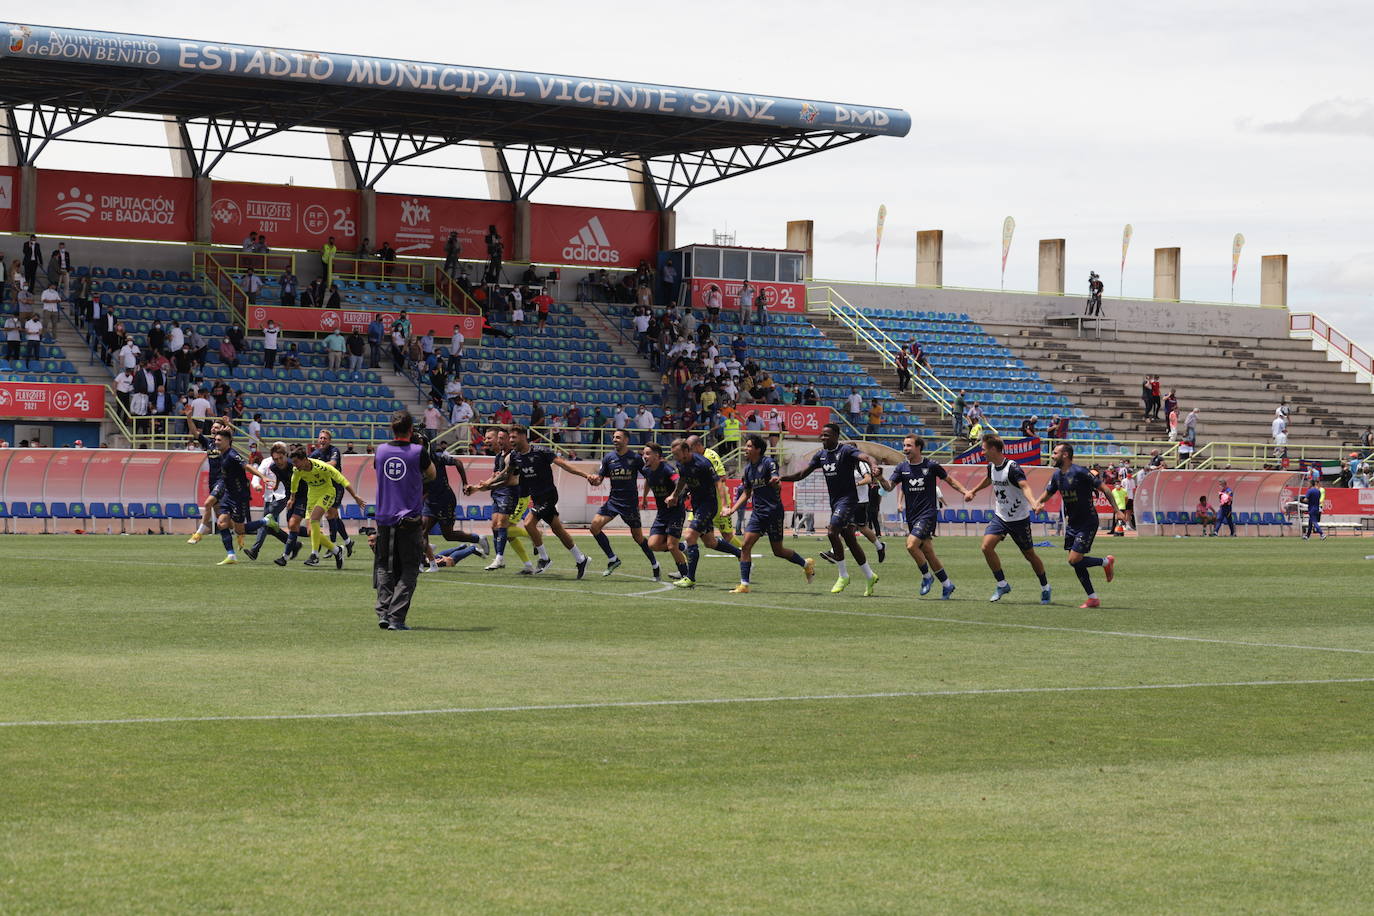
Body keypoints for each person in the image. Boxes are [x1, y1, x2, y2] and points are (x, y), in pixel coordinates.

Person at [465, 424, 592, 577]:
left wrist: (587, 476)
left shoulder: (541, 451)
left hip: (549, 495)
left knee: (528, 523)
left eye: (513, 437)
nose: (510, 440)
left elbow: (564, 465)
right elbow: (505, 475)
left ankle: (544, 558)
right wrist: (484, 485)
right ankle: (581, 558)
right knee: (558, 530)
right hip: (536, 498)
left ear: (524, 437)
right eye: (509, 437)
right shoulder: (514, 456)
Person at [781, 423, 881, 595]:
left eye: (826, 435)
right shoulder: (821, 455)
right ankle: (869, 575)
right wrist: (782, 478)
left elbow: (866, 456)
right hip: (835, 502)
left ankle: (843, 575)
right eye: (822, 435)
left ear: (836, 436)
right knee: (849, 538)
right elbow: (801, 474)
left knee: (831, 531)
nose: (822, 438)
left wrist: (873, 465)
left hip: (849, 500)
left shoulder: (846, 451)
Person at [878, 434, 972, 599]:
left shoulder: (931, 465)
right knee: (928, 552)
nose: (905, 449)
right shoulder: (901, 468)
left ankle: (927, 577)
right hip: (912, 516)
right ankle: (947, 585)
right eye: (904, 445)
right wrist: (880, 477)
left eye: (909, 445)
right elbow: (889, 487)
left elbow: (949, 480)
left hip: (927, 514)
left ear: (918, 447)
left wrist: (965, 491)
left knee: (910, 545)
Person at [1030, 443, 1122, 609]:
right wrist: (1037, 503)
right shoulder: (1057, 475)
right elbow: (1048, 492)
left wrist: (1117, 510)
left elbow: (1105, 490)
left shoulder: (1080, 472)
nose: (1052, 456)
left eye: (1055, 453)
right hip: (1072, 523)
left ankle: (1106, 562)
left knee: (1074, 559)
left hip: (1087, 521)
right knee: (1075, 562)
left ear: (1065, 455)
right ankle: (1092, 598)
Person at [964, 433, 1052, 603]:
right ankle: (1002, 584)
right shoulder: (991, 466)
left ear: (994, 449)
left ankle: (1045, 587)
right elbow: (989, 480)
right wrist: (973, 491)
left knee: (1029, 555)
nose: (982, 452)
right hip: (1001, 517)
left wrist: (1034, 503)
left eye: (984, 449)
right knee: (986, 547)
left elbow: (1025, 486)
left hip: (1019, 519)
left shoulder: (1012, 468)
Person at [724, 435, 815, 593]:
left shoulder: (768, 462)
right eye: (746, 446)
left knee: (778, 551)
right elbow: (746, 493)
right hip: (758, 514)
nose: (746, 449)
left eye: (749, 446)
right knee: (745, 546)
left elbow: (775, 478)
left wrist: (775, 481)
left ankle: (806, 564)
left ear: (758, 449)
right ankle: (744, 585)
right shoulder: (748, 470)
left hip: (773, 512)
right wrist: (732, 509)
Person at [371, 410, 437, 630]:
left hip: (384, 517)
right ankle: (396, 618)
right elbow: (432, 475)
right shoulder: (418, 452)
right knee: (409, 568)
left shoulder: (380, 451)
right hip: (409, 518)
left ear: (392, 428)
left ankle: (383, 612)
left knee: (384, 565)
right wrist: (421, 447)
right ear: (411, 430)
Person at [664, 438, 742, 587]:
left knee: (689, 535)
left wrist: (725, 505)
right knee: (710, 542)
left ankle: (690, 578)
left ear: (686, 451)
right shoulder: (681, 463)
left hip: (709, 504)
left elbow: (719, 482)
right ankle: (740, 554)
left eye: (677, 454)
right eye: (673, 454)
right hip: (698, 504)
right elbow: (682, 480)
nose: (675, 458)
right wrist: (674, 495)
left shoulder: (703, 463)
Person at [585, 429, 663, 578]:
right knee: (594, 526)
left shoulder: (635, 458)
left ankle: (655, 564)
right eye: (613, 437)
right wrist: (594, 481)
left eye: (618, 437)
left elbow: (649, 476)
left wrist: (646, 497)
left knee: (638, 538)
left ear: (626, 440)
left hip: (630, 504)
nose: (615, 439)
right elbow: (600, 479)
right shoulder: (608, 458)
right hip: (613, 501)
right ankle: (612, 559)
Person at [289, 444, 366, 569]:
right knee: (311, 531)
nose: (295, 465)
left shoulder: (322, 467)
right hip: (312, 495)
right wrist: (292, 498)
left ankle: (314, 555)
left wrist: (355, 496)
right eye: (293, 463)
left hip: (327, 493)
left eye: (296, 462)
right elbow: (294, 482)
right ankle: (336, 550)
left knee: (314, 519)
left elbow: (342, 480)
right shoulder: (297, 469)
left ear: (305, 459)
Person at [418, 434, 485, 572]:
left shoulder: (437, 458)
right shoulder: (414, 461)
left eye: (419, 444)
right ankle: (429, 564)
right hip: (430, 502)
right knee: (421, 531)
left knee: (448, 535)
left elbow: (458, 462)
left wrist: (465, 483)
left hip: (445, 500)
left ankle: (477, 539)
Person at [478, 427, 534, 573]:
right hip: (502, 493)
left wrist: (487, 486)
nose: (487, 441)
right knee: (500, 530)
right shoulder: (499, 456)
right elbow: (497, 476)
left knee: (504, 528)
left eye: (490, 438)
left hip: (519, 496)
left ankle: (534, 536)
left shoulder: (514, 456)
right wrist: (482, 486)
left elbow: (508, 480)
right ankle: (527, 565)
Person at [210, 428, 266, 565]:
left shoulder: (232, 455)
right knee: (221, 523)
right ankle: (231, 555)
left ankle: (265, 521)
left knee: (239, 529)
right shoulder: (221, 453)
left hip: (239, 496)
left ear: (228, 441)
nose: (216, 442)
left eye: (219, 440)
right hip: (228, 495)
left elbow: (246, 466)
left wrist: (262, 476)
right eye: (215, 439)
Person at [242, 442, 295, 561]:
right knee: (270, 526)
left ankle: (254, 550)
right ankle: (294, 545)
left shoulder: (290, 463)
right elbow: (257, 475)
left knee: (265, 521)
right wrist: (256, 485)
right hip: (269, 497)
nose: (280, 459)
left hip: (282, 496)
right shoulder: (267, 462)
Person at [310, 429, 356, 557]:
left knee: (330, 514)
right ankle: (348, 541)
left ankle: (333, 545)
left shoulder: (334, 451)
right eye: (321, 438)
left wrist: (317, 465)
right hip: (325, 488)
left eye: (325, 438)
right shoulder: (315, 454)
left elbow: (333, 464)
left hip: (337, 487)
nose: (322, 440)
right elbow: (308, 465)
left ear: (329, 441)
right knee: (334, 516)